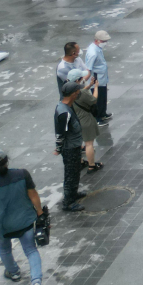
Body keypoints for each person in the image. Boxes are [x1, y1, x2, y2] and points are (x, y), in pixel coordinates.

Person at [0, 150, 45, 285]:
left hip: (3, 227)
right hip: (25, 221)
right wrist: (40, 212)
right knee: (31, 250)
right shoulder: (22, 174)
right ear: (7, 162)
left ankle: (14, 272)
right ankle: (36, 284)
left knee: (5, 249)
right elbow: (33, 194)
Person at [54, 82, 85, 212]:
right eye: (78, 91)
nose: (79, 93)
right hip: (70, 148)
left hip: (75, 145)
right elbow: (61, 133)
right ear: (73, 94)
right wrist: (59, 148)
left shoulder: (67, 106)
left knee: (75, 171)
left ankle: (73, 193)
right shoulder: (64, 113)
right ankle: (68, 202)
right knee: (71, 174)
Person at [83, 30, 112, 126]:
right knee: (98, 99)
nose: (105, 43)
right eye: (104, 41)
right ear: (97, 40)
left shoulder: (97, 48)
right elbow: (89, 68)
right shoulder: (93, 53)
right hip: (97, 78)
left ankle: (103, 113)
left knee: (103, 96)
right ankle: (98, 118)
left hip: (102, 77)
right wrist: (86, 81)